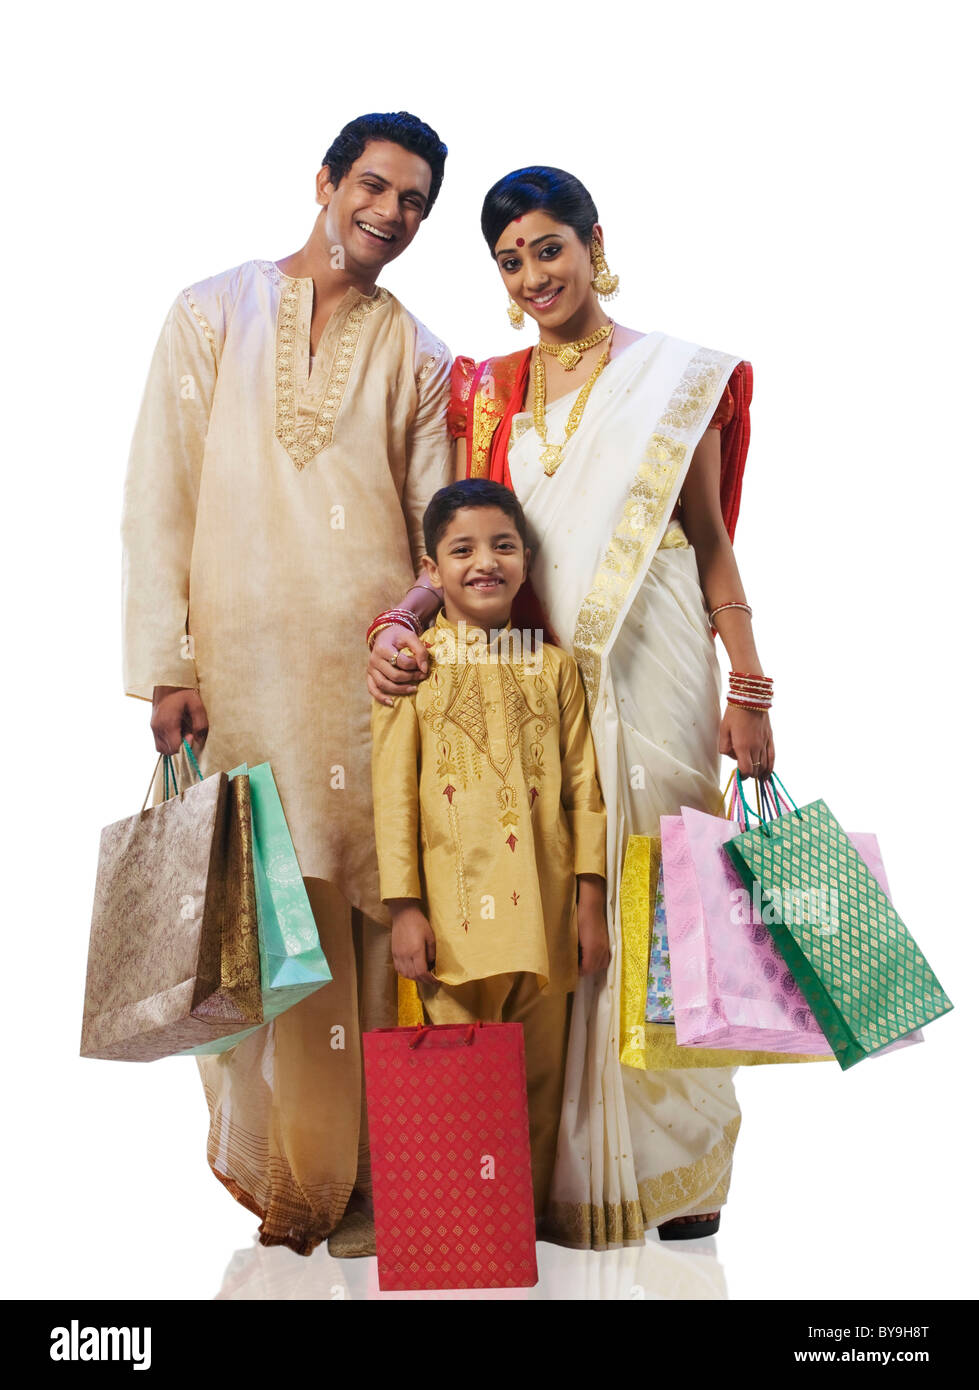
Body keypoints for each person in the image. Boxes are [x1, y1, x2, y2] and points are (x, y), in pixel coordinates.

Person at [367, 166, 773, 1249]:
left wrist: (750, 685)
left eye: (549, 248)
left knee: (665, 900)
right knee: (561, 908)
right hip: (534, 699)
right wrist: (398, 625)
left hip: (656, 671)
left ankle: (679, 1166)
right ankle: (556, 1171)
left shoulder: (675, 377)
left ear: (594, 242)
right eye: (510, 259)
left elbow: (713, 547)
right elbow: (457, 544)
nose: (534, 274)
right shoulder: (487, 391)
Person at [121, 111, 454, 1258]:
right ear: (324, 181)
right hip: (239, 677)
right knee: (253, 923)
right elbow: (159, 498)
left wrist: (409, 627)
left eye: (415, 202)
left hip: (365, 687)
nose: (390, 214)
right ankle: (298, 1178)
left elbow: (441, 533)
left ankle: (349, 1184)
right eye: (373, 185)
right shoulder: (212, 313)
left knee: (357, 917)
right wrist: (165, 664)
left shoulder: (422, 356)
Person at [370, 477, 609, 1215]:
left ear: (527, 560)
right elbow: (392, 798)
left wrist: (589, 906)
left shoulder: (556, 668)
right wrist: (405, 908)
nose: (485, 562)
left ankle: (526, 1234)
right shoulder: (414, 669)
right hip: (454, 927)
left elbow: (584, 795)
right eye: (462, 549)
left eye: (503, 545)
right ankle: (469, 1233)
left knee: (539, 1085)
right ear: (430, 569)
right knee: (461, 1086)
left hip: (543, 924)